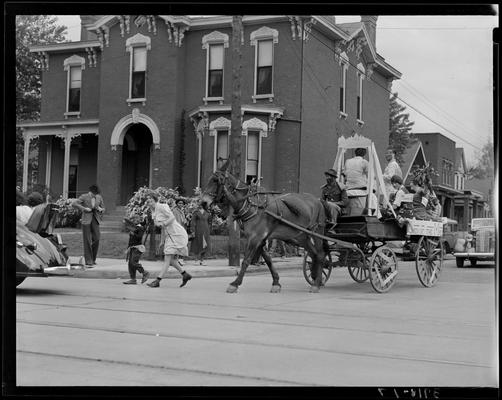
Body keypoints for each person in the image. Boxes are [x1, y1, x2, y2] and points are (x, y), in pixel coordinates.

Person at [144, 192, 192, 288]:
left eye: (151, 201)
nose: (150, 203)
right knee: (172, 260)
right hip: (169, 235)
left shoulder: (162, 207)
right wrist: (162, 241)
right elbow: (162, 228)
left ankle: (157, 280)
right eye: (148, 202)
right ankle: (185, 274)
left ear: (156, 200)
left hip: (176, 233)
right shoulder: (153, 212)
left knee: (167, 259)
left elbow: (172, 218)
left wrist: (164, 224)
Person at [72, 184, 105, 267]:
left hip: (95, 219)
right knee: (87, 240)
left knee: (97, 238)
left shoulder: (99, 197)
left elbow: (103, 208)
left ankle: (93, 259)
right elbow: (74, 204)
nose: (95, 195)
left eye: (96, 194)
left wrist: (101, 210)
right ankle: (88, 261)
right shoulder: (84, 196)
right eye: (94, 194)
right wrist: (84, 209)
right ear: (90, 192)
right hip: (86, 220)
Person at [122, 218, 150, 285]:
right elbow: (131, 240)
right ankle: (133, 279)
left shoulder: (140, 228)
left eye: (136, 219)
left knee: (133, 262)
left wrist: (133, 233)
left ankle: (145, 273)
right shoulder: (134, 228)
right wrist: (128, 248)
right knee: (130, 264)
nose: (135, 220)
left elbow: (139, 237)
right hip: (132, 248)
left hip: (137, 249)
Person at [190, 201, 212, 265]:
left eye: (200, 205)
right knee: (197, 243)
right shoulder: (195, 212)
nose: (199, 206)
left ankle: (202, 260)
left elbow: (210, 222)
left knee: (205, 244)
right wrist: (193, 230)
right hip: (197, 230)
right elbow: (193, 222)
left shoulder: (208, 213)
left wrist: (209, 229)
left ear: (203, 205)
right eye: (198, 205)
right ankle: (196, 259)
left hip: (206, 230)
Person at [171, 198, 188, 266]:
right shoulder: (175, 211)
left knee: (181, 244)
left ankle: (178, 259)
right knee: (177, 244)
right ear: (176, 204)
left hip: (182, 229)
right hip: (177, 229)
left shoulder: (182, 211)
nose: (181, 204)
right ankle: (175, 260)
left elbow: (182, 220)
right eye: (179, 203)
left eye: (182, 203)